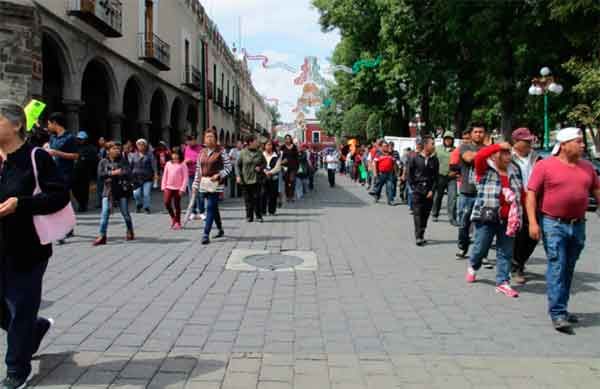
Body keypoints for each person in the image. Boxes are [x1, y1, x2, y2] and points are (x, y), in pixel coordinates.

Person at [0, 100, 70, 389]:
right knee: (15, 313)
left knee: (20, 307)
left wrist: (21, 204)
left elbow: (59, 196)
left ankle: (17, 368)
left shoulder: (35, 156)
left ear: (16, 125)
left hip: (27, 249)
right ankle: (36, 328)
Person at [527, 127, 600, 333]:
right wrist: (533, 222)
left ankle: (563, 308)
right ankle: (557, 313)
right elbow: (531, 194)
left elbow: (597, 190)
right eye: (578, 141)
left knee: (568, 267)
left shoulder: (587, 168)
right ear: (564, 145)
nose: (582, 144)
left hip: (578, 224)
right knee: (557, 265)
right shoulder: (545, 166)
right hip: (553, 223)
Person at [465, 142, 524, 298]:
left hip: (509, 218)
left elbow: (521, 193)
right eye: (503, 153)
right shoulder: (485, 168)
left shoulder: (515, 170)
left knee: (506, 251)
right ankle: (473, 264)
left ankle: (502, 282)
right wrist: (497, 145)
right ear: (495, 154)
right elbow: (479, 156)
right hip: (487, 216)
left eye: (508, 153)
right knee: (481, 246)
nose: (506, 156)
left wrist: (522, 215)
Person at [510, 127, 542, 285]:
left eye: (530, 140)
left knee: (534, 235)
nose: (530, 142)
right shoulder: (506, 157)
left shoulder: (538, 158)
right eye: (526, 140)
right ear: (515, 142)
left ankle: (519, 261)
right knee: (518, 234)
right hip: (514, 200)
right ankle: (516, 265)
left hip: (534, 200)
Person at [192, 129, 232, 245]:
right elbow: (198, 170)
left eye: (211, 137)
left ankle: (206, 234)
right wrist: (195, 184)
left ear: (215, 139)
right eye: (207, 137)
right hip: (204, 183)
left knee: (210, 206)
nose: (209, 139)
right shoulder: (201, 152)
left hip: (216, 184)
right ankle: (220, 229)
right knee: (213, 208)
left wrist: (219, 175)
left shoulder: (221, 151)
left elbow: (229, 168)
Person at [45, 112, 79, 243]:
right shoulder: (53, 138)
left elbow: (75, 156)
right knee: (62, 201)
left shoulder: (70, 138)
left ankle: (61, 232)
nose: (48, 126)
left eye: (49, 123)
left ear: (55, 123)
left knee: (61, 201)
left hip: (65, 173)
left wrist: (57, 153)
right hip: (52, 173)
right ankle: (67, 228)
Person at [94, 141, 135, 246]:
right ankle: (102, 235)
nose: (117, 150)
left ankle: (130, 230)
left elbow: (128, 173)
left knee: (125, 213)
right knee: (105, 213)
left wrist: (120, 173)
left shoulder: (123, 161)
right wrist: (112, 173)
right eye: (114, 149)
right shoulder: (103, 162)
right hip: (108, 191)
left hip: (121, 190)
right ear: (108, 151)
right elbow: (100, 175)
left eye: (118, 149)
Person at [456, 123, 486, 258]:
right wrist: (487, 152)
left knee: (483, 225)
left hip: (484, 193)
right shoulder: (464, 146)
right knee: (464, 224)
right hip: (467, 192)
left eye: (481, 132)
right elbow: (468, 157)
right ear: (471, 134)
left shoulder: (488, 148)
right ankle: (463, 247)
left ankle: (481, 254)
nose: (478, 134)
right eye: (476, 132)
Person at [407, 136, 439, 246]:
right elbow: (409, 174)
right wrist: (413, 188)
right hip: (417, 190)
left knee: (425, 214)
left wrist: (432, 190)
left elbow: (436, 177)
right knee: (417, 213)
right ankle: (418, 236)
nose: (434, 146)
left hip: (429, 191)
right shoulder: (414, 158)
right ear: (425, 145)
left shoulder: (434, 160)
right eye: (432, 144)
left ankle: (422, 233)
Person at [237, 134, 267, 222]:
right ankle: (249, 216)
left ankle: (258, 216)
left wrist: (260, 168)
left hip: (256, 179)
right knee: (247, 199)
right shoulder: (243, 152)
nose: (257, 142)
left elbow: (264, 163)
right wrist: (238, 176)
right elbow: (238, 165)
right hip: (245, 179)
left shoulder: (259, 152)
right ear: (250, 142)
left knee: (257, 198)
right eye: (255, 141)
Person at [432, 131, 458, 224]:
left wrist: (456, 172)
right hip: (440, 176)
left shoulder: (456, 150)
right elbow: (432, 161)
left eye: (450, 139)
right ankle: (435, 214)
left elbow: (459, 163)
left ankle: (452, 218)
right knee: (438, 196)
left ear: (453, 140)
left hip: (452, 177)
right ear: (443, 140)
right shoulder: (437, 149)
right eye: (446, 139)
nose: (448, 140)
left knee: (453, 197)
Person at [161, 148, 188, 230]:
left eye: (177, 154)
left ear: (180, 155)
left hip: (178, 188)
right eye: (173, 154)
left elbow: (185, 178)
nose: (175, 155)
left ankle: (178, 222)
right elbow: (165, 175)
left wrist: (182, 189)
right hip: (168, 187)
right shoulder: (168, 164)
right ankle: (173, 218)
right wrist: (163, 186)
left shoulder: (183, 164)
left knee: (177, 206)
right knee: (166, 202)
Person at [129, 138, 157, 214]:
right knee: (136, 194)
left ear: (145, 146)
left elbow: (154, 165)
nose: (141, 146)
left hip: (147, 177)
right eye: (139, 145)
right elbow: (130, 166)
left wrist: (155, 175)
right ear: (137, 146)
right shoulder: (134, 155)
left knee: (146, 194)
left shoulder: (150, 155)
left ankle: (146, 207)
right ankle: (139, 204)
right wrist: (129, 176)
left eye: (142, 144)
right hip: (136, 178)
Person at [72, 131, 97, 213]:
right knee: (75, 189)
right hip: (75, 172)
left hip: (85, 172)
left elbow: (93, 160)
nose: (79, 141)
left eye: (81, 139)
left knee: (84, 189)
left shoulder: (91, 148)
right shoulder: (75, 147)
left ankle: (83, 205)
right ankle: (80, 202)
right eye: (78, 139)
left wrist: (83, 158)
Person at [183, 135, 204, 221]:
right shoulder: (187, 148)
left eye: (190, 141)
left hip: (198, 173)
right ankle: (193, 212)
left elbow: (202, 160)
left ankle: (202, 212)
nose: (189, 143)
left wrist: (192, 161)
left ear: (195, 140)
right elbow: (185, 158)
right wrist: (185, 161)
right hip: (189, 173)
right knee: (191, 193)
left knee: (199, 193)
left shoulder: (200, 149)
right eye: (187, 141)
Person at [262, 139, 282, 216]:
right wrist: (265, 171)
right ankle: (263, 211)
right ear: (264, 146)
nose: (269, 146)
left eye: (270, 145)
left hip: (273, 177)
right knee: (263, 194)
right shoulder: (262, 155)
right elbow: (259, 164)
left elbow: (278, 167)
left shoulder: (276, 155)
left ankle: (272, 211)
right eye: (267, 145)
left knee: (273, 195)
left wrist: (270, 172)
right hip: (263, 177)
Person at [281, 135, 299, 202]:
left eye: (289, 139)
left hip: (293, 167)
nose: (287, 140)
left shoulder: (294, 147)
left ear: (291, 139)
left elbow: (297, 157)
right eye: (286, 139)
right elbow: (280, 156)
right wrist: (282, 162)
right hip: (285, 167)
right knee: (286, 182)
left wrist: (297, 167)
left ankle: (292, 195)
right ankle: (287, 196)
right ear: (285, 140)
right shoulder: (282, 147)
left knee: (292, 181)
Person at [96, 137, 108, 209]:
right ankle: (100, 202)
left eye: (102, 140)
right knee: (99, 188)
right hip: (100, 170)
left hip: (105, 171)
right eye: (99, 140)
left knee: (106, 187)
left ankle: (108, 201)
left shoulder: (107, 150)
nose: (100, 141)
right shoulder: (99, 149)